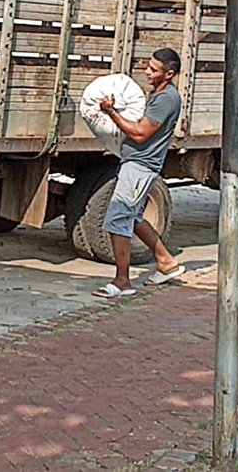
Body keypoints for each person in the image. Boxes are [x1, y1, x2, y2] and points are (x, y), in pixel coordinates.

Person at [93, 48, 186, 298]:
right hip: (137, 163)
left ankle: (122, 281)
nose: (147, 72)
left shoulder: (166, 99)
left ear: (169, 74)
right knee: (132, 216)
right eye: (148, 66)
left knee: (117, 219)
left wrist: (111, 112)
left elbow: (140, 133)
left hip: (140, 165)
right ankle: (166, 262)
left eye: (153, 70)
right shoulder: (159, 94)